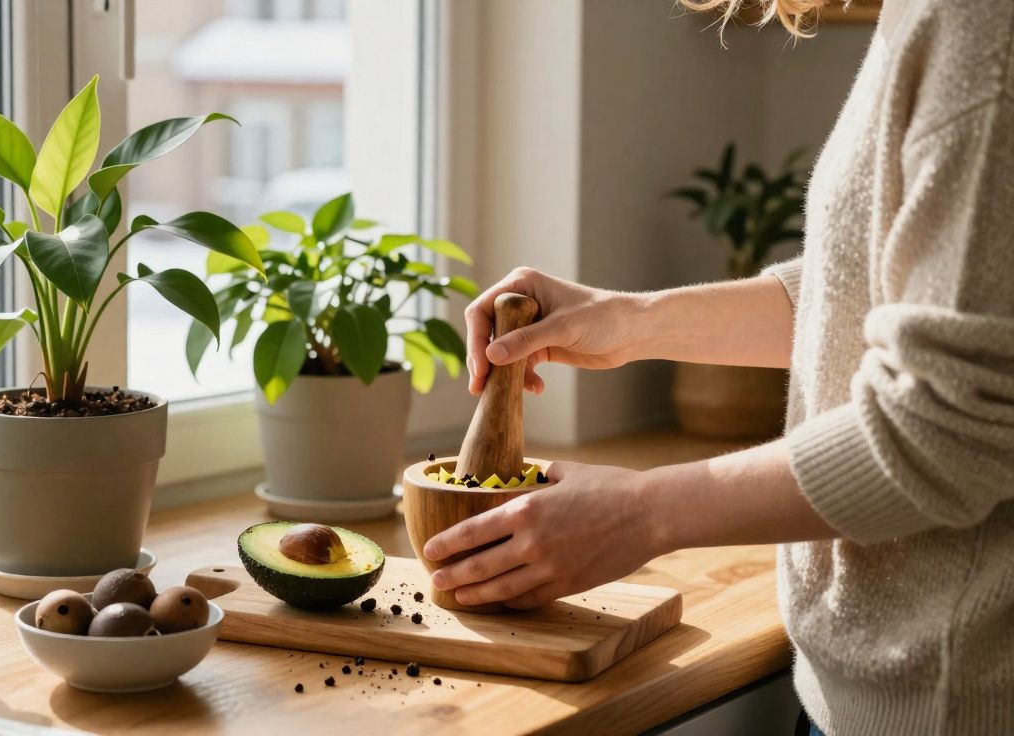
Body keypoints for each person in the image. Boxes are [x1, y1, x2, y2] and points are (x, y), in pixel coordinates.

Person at [421, 1, 1014, 733]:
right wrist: (631, 320)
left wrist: (641, 514)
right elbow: (871, 290)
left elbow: (949, 430)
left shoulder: (984, 26)